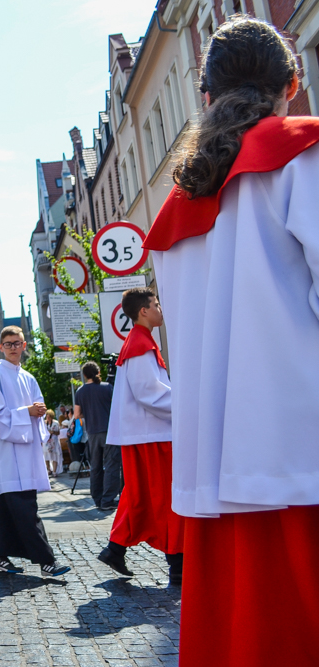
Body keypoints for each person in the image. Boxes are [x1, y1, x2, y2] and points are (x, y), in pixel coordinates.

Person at [143, 17, 319, 666]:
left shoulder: (180, 205)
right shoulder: (302, 152)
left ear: (206, 95)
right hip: (304, 455)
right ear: (292, 83)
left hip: (218, 472)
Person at [98, 289, 184, 585]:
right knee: (165, 496)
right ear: (143, 311)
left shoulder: (139, 342)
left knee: (142, 495)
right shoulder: (140, 344)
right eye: (156, 304)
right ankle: (177, 562)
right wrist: (187, 405)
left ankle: (116, 549)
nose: (161, 308)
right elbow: (150, 393)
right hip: (153, 434)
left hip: (146, 433)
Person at [0, 326, 70, 578]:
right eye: (7, 344)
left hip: (26, 452)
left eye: (16, 343)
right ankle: (46, 562)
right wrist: (27, 412)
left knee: (4, 507)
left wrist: (39, 411)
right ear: (1, 347)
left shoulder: (28, 377)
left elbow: (37, 408)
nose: (12, 347)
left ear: (24, 345)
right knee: (24, 508)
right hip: (6, 455)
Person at [74, 362, 119, 510]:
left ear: (85, 375)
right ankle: (108, 500)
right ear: (98, 372)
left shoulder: (80, 391)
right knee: (112, 465)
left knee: (96, 466)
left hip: (92, 433)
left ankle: (98, 499)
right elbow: (116, 406)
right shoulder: (107, 387)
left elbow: (76, 414)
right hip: (109, 431)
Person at [43, 410, 62, 477]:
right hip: (46, 442)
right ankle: (49, 470)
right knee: (46, 456)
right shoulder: (44, 423)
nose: (48, 418)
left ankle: (54, 471)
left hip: (54, 442)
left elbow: (58, 433)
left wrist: (53, 432)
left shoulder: (55, 423)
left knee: (55, 456)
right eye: (47, 417)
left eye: (49, 417)